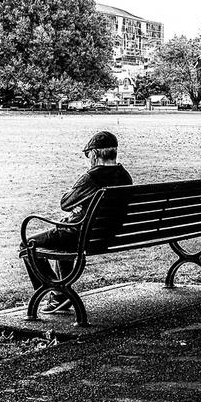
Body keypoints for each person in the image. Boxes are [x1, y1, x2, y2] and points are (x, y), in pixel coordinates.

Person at [20, 131, 132, 314]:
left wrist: (78, 206)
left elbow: (65, 203)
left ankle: (56, 293)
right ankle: (60, 295)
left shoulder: (91, 178)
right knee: (64, 235)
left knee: (27, 244)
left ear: (94, 154)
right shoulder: (125, 176)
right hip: (108, 235)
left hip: (81, 235)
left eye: (88, 155)